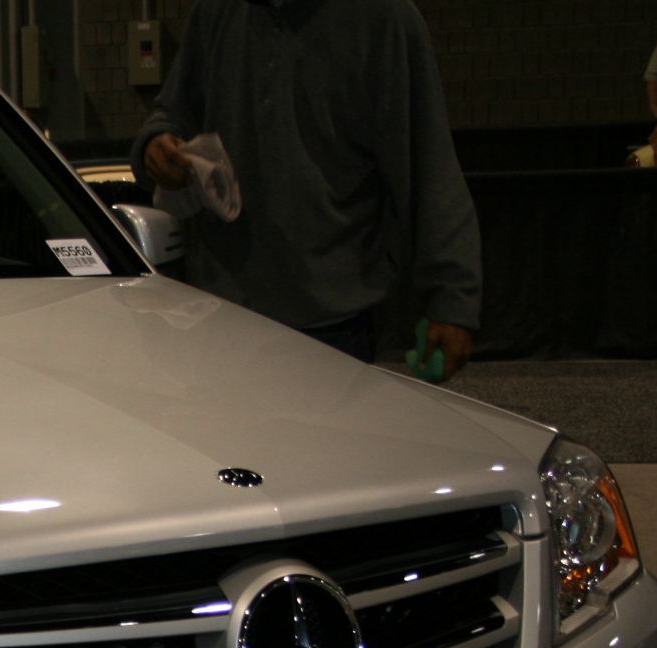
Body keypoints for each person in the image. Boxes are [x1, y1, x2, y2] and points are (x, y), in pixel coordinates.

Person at [131, 0, 479, 380]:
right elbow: (172, 112)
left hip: (331, 323)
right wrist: (154, 144)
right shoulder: (217, 11)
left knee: (325, 441)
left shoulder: (383, 18)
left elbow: (428, 164)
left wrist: (452, 300)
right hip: (221, 315)